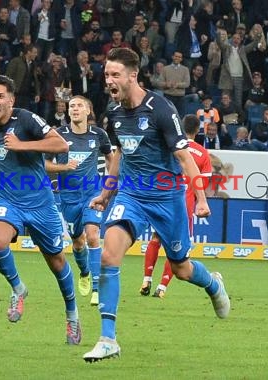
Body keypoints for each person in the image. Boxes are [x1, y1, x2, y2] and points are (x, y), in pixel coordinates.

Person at [83, 48, 230, 362]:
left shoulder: (161, 108)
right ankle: (108, 339)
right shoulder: (115, 112)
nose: (108, 80)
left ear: (132, 76)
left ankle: (213, 285)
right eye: (106, 74)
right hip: (132, 196)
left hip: (168, 198)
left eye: (114, 75)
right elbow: (120, 156)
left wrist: (201, 199)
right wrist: (107, 194)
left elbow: (184, 157)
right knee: (109, 256)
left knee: (181, 268)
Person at [0, 75, 81, 345]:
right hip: (7, 199)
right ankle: (18, 289)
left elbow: (61, 145)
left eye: (0, 96)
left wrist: (23, 145)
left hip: (41, 204)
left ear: (11, 101)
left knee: (56, 263)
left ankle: (72, 316)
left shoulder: (26, 120)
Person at [45, 95, 113, 306]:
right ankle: (84, 272)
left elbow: (112, 160)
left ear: (88, 110)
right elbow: (44, 164)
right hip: (68, 197)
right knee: (77, 241)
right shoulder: (58, 135)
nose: (74, 109)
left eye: (78, 106)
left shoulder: (99, 135)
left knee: (93, 236)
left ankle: (95, 287)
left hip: (92, 194)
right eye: (71, 106)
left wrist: (108, 188)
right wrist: (64, 168)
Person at [140, 114, 213, 299]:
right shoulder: (203, 154)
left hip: (164, 201)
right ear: (198, 130)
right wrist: (200, 202)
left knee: (156, 239)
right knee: (177, 248)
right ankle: (162, 287)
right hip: (184, 207)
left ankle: (146, 278)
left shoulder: (170, 146)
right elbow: (202, 184)